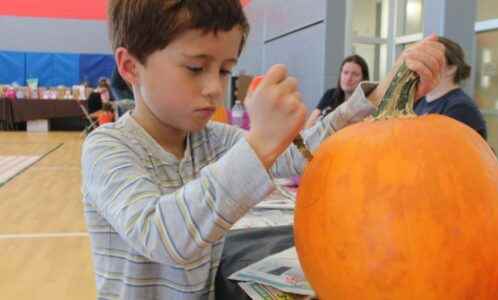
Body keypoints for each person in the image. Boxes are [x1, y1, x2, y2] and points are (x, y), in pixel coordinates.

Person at [81, 0, 445, 298]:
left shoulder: (214, 139)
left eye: (224, 71)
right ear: (131, 67)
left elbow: (296, 158)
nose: (214, 88)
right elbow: (163, 236)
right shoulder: (107, 147)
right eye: (195, 68)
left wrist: (377, 98)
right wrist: (259, 143)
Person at [414, 36, 487, 139]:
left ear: (451, 68)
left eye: (431, 60)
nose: (420, 65)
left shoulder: (460, 108)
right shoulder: (419, 101)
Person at [305, 54, 370, 128]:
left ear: (363, 78)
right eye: (345, 72)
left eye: (355, 74)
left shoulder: (366, 105)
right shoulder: (330, 94)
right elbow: (309, 125)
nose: (348, 78)